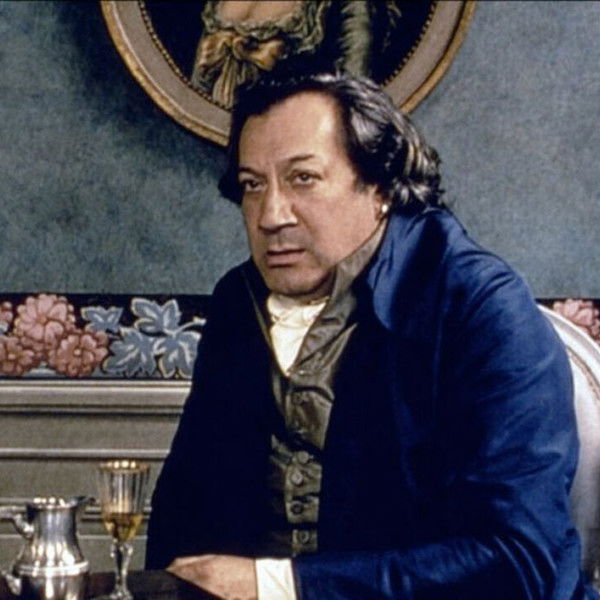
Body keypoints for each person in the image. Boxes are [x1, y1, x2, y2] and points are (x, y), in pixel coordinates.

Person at [147, 72, 590, 599]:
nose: (270, 216)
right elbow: (183, 517)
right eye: (252, 185)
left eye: (303, 179)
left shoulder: (481, 307)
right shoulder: (237, 302)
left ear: (378, 185)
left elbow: (517, 561)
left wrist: (279, 586)